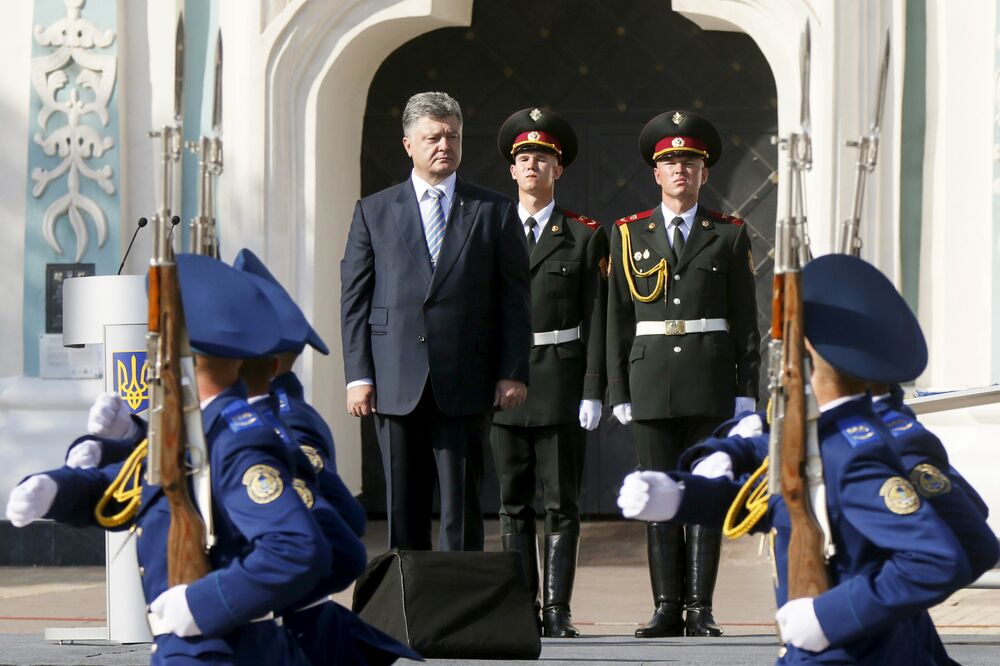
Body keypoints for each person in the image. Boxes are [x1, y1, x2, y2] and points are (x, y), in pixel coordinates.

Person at [617, 253, 988, 664]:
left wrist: (831, 616)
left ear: (804, 347)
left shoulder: (856, 452)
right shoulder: (829, 435)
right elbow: (782, 502)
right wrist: (682, 495)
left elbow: (953, 551)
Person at [6, 254, 333, 664]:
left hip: (223, 649)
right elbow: (139, 485)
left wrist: (204, 603)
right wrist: (58, 489)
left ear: (182, 357)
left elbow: (296, 547)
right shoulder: (200, 426)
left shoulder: (236, 441)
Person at [340, 91, 531, 551]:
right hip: (394, 379)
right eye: (432, 137)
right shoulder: (374, 211)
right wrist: (358, 376)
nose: (444, 145)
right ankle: (409, 613)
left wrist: (512, 371)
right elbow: (355, 299)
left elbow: (514, 300)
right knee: (403, 507)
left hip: (465, 380)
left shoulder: (494, 211)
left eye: (452, 136)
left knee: (461, 510)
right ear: (408, 144)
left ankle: (458, 612)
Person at [606, 109, 760, 637]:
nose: (680, 171)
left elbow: (746, 326)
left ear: (704, 173)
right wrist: (617, 387)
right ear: (656, 172)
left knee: (706, 494)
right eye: (670, 162)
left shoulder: (729, 234)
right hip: (650, 382)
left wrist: (747, 399)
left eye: (690, 163)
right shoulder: (628, 234)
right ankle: (667, 606)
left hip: (711, 382)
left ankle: (701, 608)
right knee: (655, 494)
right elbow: (617, 320)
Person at [489, 108, 608, 638]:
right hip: (504, 384)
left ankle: (556, 610)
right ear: (512, 171)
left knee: (561, 503)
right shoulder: (488, 228)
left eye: (543, 157)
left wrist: (592, 388)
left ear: (558, 170)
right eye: (523, 158)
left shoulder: (584, 236)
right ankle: (519, 608)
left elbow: (598, 318)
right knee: (512, 504)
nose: (532, 164)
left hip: (560, 380)